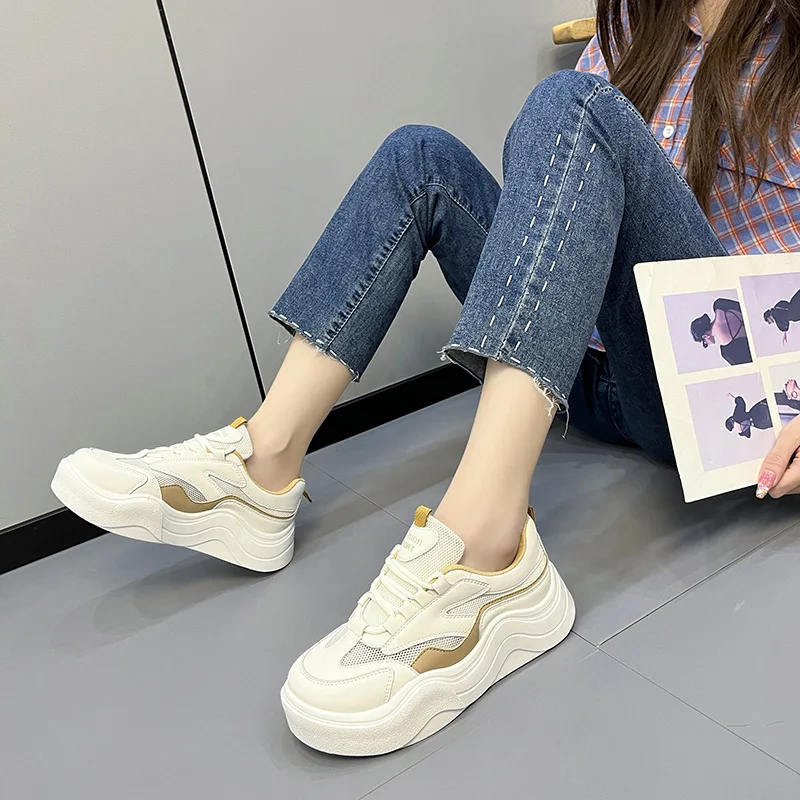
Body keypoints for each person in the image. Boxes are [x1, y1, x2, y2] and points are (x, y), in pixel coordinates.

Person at [50, 0, 800, 756]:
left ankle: (488, 553)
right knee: (422, 158)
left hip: (714, 391)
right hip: (585, 361)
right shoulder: (638, 22)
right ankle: (262, 469)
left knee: (574, 105)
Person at [690, 297, 752, 365]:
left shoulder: (727, 352)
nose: (708, 344)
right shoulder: (719, 305)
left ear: (705, 336)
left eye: (705, 344)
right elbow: (746, 306)